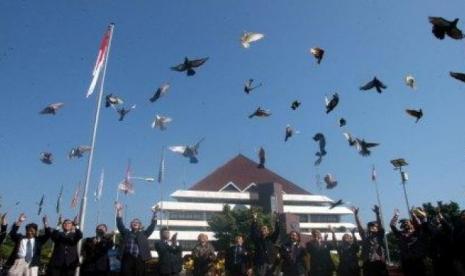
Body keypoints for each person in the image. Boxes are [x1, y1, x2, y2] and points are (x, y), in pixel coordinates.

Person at [116, 202, 157, 276]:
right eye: (133, 222)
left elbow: (152, 226)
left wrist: (154, 214)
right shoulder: (126, 232)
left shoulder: (144, 234)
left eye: (137, 222)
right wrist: (119, 211)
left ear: (140, 225)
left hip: (140, 259)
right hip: (127, 258)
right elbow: (120, 224)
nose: (135, 223)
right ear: (130, 225)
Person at [390, 209, 427, 276]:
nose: (405, 224)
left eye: (407, 222)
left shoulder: (416, 232)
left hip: (417, 260)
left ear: (411, 224)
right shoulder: (400, 234)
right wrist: (396, 216)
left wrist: (413, 215)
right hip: (406, 261)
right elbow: (392, 226)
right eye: (403, 223)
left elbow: (418, 224)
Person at [353, 205, 388, 276]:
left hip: (379, 262)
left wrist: (377, 213)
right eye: (369, 226)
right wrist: (356, 215)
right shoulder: (365, 236)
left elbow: (380, 224)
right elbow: (359, 226)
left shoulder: (380, 235)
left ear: (377, 228)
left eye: (373, 226)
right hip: (367, 263)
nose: (371, 227)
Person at [250, 212, 280, 276]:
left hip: (271, 263)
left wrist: (277, 221)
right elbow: (253, 231)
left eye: (265, 228)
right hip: (261, 264)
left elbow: (277, 231)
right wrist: (254, 220)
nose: (263, 230)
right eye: (262, 228)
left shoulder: (271, 239)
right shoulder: (258, 240)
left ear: (268, 231)